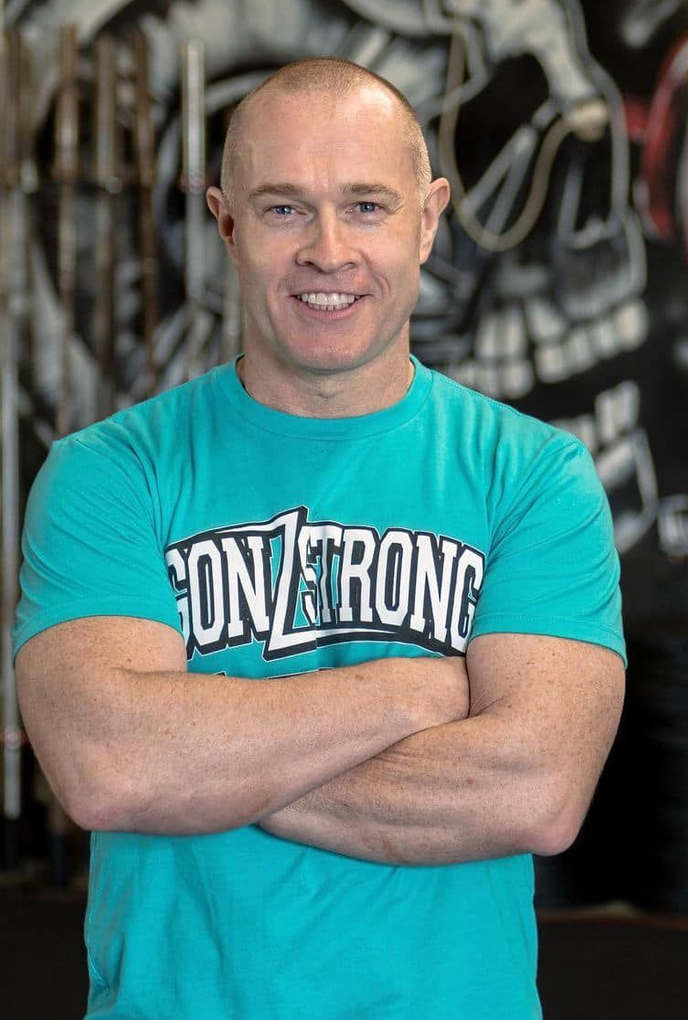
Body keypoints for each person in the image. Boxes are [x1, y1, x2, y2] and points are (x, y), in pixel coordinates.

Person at [13, 58, 625, 1020]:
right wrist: (420, 689)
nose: (329, 250)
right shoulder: (110, 473)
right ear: (225, 222)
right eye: (284, 209)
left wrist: (200, 761)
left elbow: (535, 792)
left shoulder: (533, 477)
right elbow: (109, 768)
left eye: (368, 206)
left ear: (428, 219)